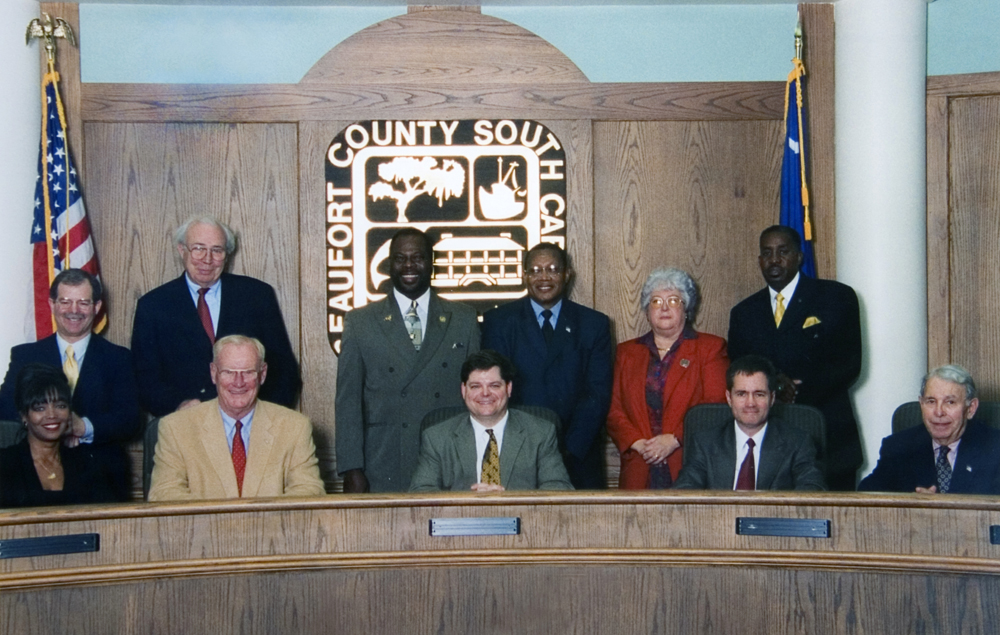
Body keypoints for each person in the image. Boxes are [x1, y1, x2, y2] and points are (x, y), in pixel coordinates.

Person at [336, 228, 480, 493]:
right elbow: (348, 401)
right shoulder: (361, 321)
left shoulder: (463, 319)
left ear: (431, 262)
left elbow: (479, 397)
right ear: (390, 264)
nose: (409, 265)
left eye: (418, 257)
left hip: (449, 456)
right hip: (384, 458)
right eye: (400, 258)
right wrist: (351, 467)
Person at [727, 225, 862, 491]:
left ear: (799, 257)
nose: (774, 260)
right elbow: (738, 368)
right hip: (767, 443)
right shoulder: (743, 312)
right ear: (759, 261)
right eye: (767, 253)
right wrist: (773, 382)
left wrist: (796, 389)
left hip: (829, 437)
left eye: (783, 251)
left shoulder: (837, 297)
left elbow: (849, 363)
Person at [130, 216, 300, 417]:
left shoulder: (256, 296)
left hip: (253, 424)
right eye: (199, 248)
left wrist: (262, 415)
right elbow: (144, 378)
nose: (207, 259)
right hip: (186, 425)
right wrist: (179, 406)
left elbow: (284, 370)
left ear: (226, 255)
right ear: (181, 250)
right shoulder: (153, 305)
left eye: (217, 250)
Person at [481, 243, 613, 489]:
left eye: (552, 269)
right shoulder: (498, 322)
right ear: (524, 275)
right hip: (517, 450)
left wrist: (567, 449)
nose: (544, 277)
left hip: (578, 453)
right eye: (535, 270)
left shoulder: (594, 324)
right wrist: (530, 447)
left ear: (566, 274)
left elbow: (597, 393)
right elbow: (495, 390)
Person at [148, 335, 324, 501]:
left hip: (271, 532)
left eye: (247, 372)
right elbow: (165, 493)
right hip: (202, 532)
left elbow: (309, 491)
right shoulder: (176, 428)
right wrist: (224, 523)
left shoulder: (294, 427)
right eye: (228, 372)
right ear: (213, 373)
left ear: (262, 374)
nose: (238, 382)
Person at [607, 267, 729, 489]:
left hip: (689, 464)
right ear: (646, 310)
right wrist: (638, 443)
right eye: (655, 301)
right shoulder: (626, 352)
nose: (664, 307)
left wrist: (673, 440)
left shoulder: (709, 348)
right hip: (639, 464)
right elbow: (613, 409)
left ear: (686, 308)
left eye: (673, 300)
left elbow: (714, 407)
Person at [0, 269, 139, 446]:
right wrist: (49, 426)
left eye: (83, 303)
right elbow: (5, 409)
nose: (74, 310)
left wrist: (83, 427)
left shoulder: (119, 358)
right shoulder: (25, 355)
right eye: (65, 302)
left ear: (96, 307)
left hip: (97, 465)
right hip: (37, 463)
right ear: (52, 304)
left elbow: (130, 420)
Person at [409, 350, 573, 492]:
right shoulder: (436, 437)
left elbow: (559, 488)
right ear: (463, 390)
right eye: (475, 386)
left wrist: (507, 499)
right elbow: (420, 492)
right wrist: (469, 502)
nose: (485, 393)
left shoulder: (540, 432)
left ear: (508, 388)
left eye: (494, 385)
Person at [674, 355, 826, 491]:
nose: (750, 403)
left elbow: (813, 491)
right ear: (729, 397)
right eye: (741, 394)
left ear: (772, 398)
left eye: (759, 394)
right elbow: (685, 494)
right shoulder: (705, 443)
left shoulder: (798, 443)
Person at [0, 363, 130, 507]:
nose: (52, 415)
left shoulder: (89, 463)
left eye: (60, 406)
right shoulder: (5, 463)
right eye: (40, 408)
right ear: (24, 416)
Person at [859, 365, 1000, 494]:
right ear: (921, 404)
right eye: (931, 401)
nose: (938, 412)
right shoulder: (899, 447)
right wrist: (909, 505)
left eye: (950, 402)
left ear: (971, 408)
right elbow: (866, 494)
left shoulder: (994, 447)